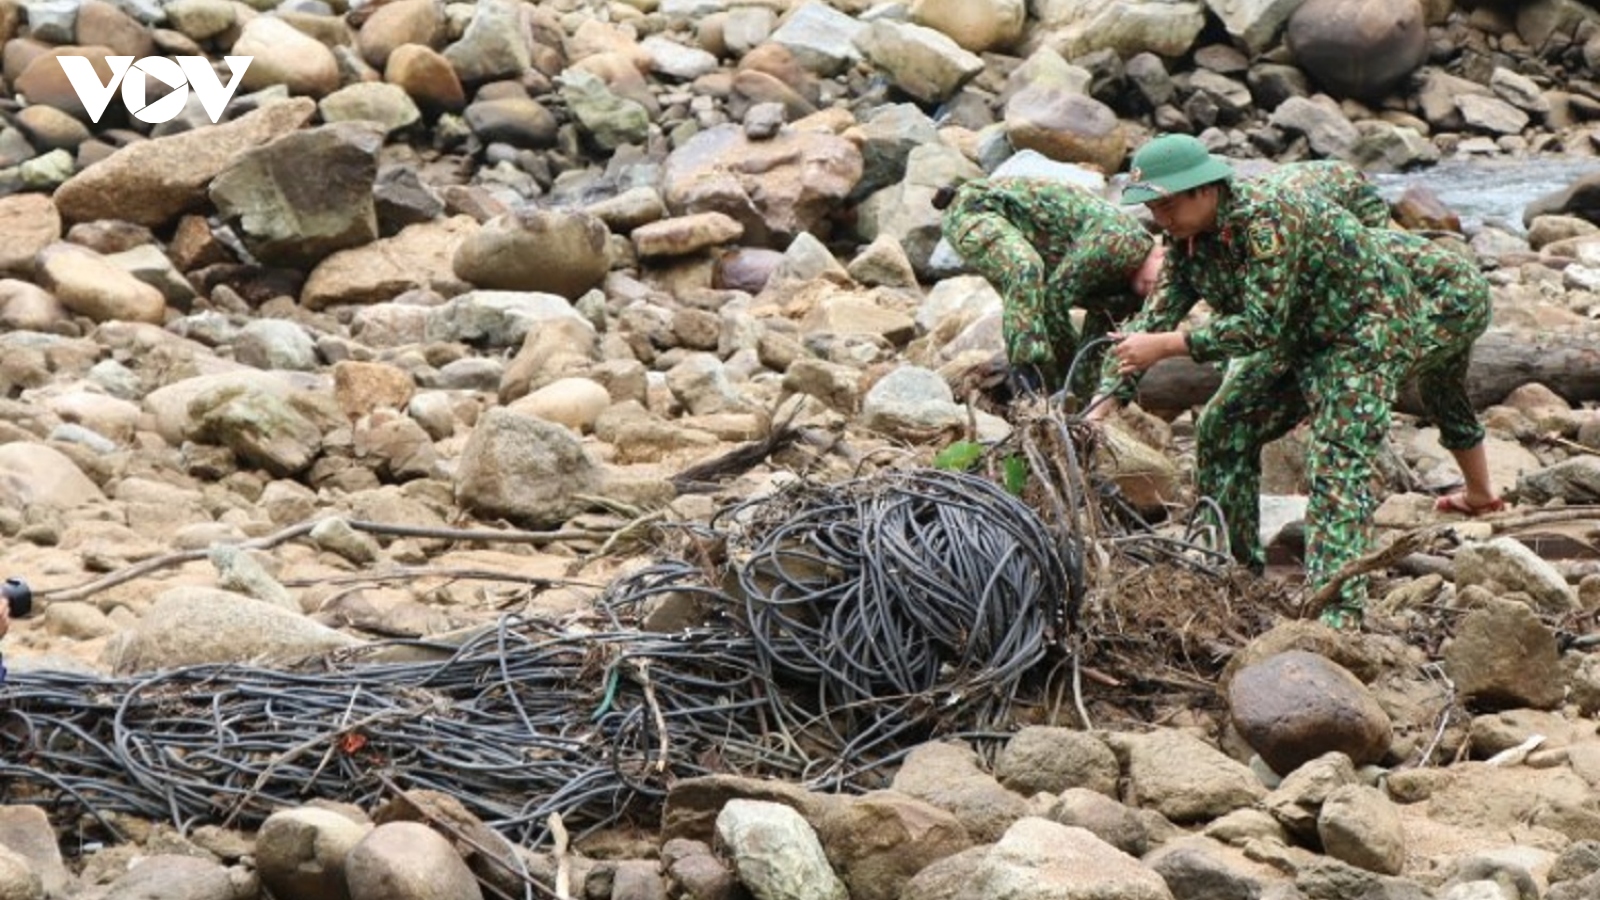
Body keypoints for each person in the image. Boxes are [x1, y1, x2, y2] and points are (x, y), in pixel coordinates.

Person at [1085, 134, 1420, 629]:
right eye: (1152, 208)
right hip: (1296, 335)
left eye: (1167, 205)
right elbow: (1154, 318)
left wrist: (1170, 346)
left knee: (1336, 456)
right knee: (1223, 425)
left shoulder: (1266, 220)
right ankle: (1235, 575)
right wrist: (1102, 403)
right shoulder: (1185, 237)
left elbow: (1260, 325)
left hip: (1360, 329)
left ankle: (1338, 611)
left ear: (1205, 190)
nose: (1161, 218)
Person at [936, 177, 1163, 401]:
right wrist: (1059, 377)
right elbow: (1053, 300)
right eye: (1162, 278)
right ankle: (1027, 381)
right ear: (1163, 253)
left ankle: (1044, 394)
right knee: (1025, 269)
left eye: (1163, 290)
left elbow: (1094, 348)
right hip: (974, 209)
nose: (1156, 289)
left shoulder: (1128, 292)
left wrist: (1086, 395)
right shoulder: (1124, 243)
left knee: (1031, 296)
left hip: (1012, 230)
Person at [1377, 229, 1503, 515]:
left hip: (1449, 299)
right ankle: (1481, 496)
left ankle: (1344, 519)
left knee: (1364, 389)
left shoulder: (1317, 254)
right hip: (1470, 290)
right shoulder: (1329, 236)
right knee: (1440, 389)